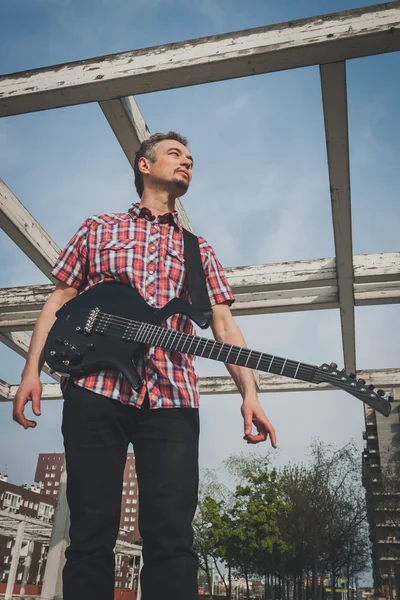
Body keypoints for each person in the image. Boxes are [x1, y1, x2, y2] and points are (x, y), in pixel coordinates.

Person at [13, 131, 277, 600]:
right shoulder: (98, 228)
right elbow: (60, 298)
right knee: (90, 531)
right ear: (144, 165)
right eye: (176, 154)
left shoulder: (201, 250)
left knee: (173, 536)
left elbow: (223, 324)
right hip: (96, 389)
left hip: (172, 396)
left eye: (191, 159)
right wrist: (31, 371)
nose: (187, 162)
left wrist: (250, 394)